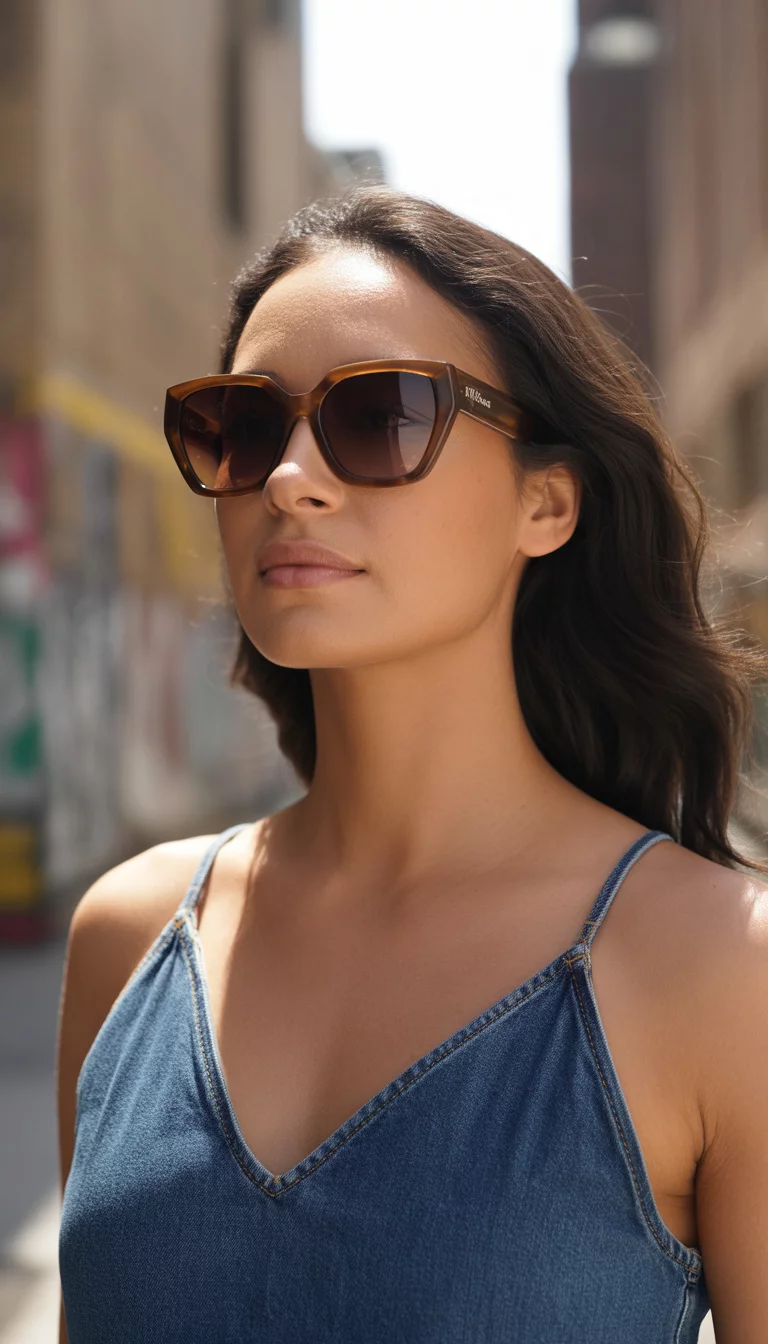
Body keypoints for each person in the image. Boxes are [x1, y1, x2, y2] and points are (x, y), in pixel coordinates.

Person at [56, 186, 768, 1343]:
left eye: (378, 415)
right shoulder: (128, 939)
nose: (288, 478)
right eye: (241, 425)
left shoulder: (722, 972)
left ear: (546, 501)